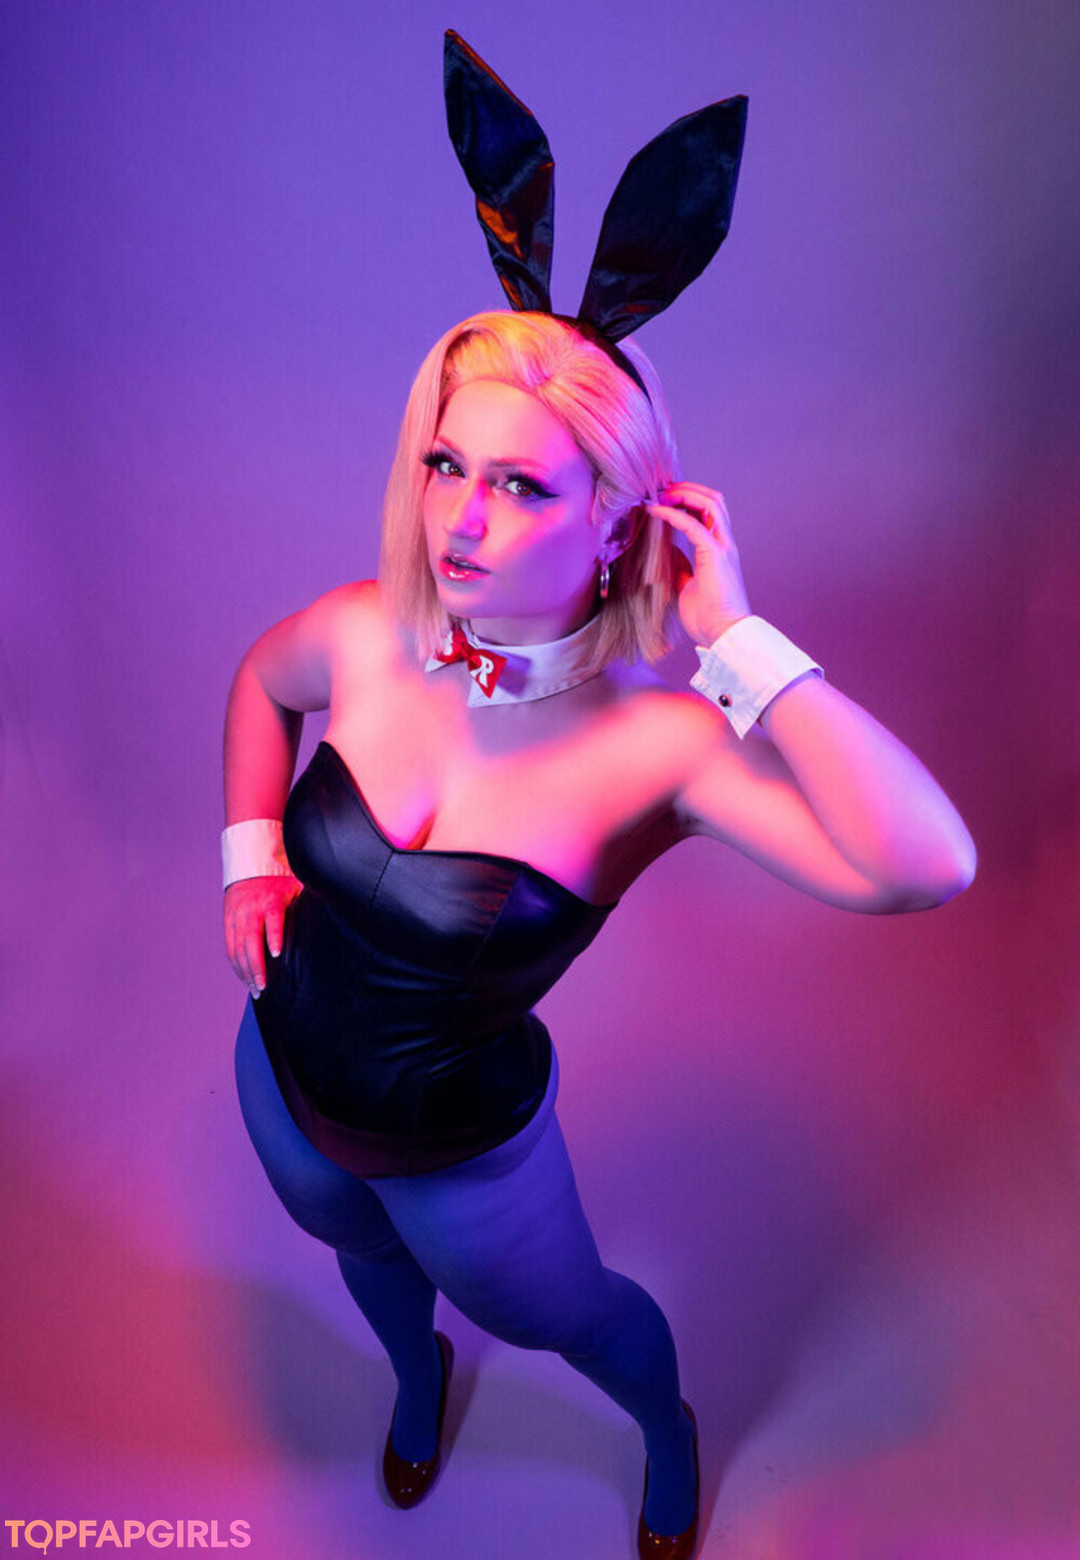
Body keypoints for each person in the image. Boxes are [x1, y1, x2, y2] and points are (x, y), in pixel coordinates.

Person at [220, 36, 976, 1560]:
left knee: (585, 1325)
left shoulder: (659, 750)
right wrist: (250, 859)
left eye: (521, 486)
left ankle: (668, 1431)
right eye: (448, 465)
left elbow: (926, 862)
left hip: (469, 1159)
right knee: (364, 1266)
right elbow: (260, 681)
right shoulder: (364, 631)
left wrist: (738, 641)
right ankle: (417, 1383)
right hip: (279, 1081)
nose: (461, 522)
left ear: (625, 521)